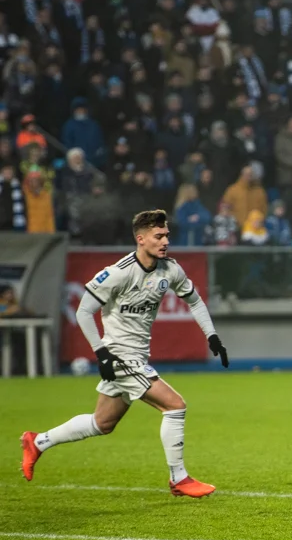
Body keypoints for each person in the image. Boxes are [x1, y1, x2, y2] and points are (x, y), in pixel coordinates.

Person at [20, 210, 230, 498]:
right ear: (140, 239)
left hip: (137, 357)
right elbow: (84, 311)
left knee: (102, 423)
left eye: (167, 234)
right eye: (159, 236)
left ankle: (37, 442)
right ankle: (179, 478)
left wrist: (212, 336)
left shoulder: (170, 270)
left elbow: (195, 301)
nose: (165, 240)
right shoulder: (118, 273)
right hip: (119, 356)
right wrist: (102, 353)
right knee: (175, 405)